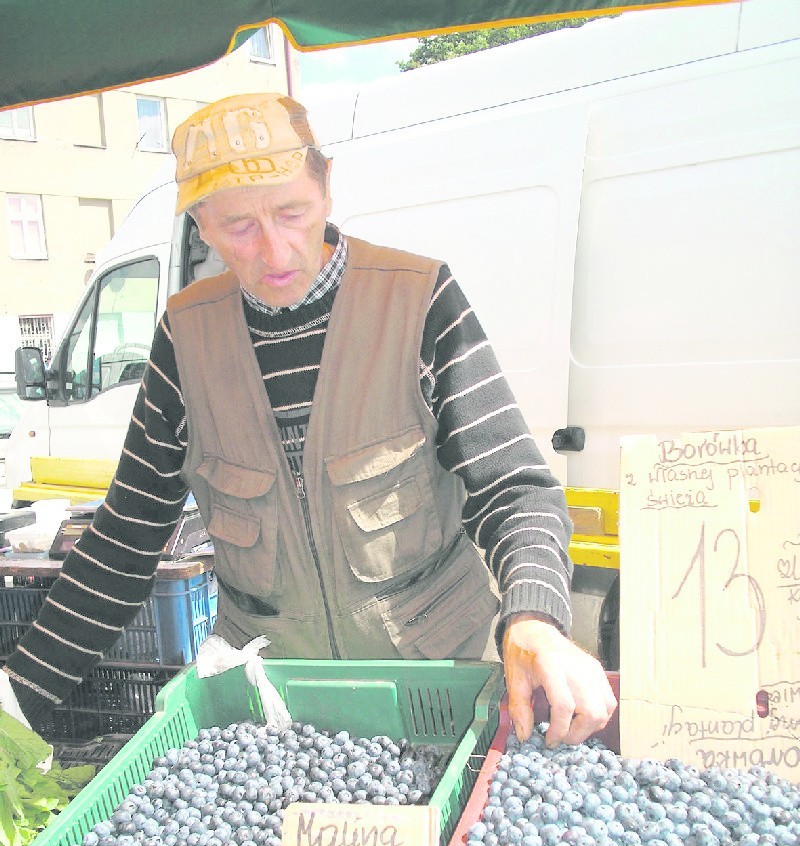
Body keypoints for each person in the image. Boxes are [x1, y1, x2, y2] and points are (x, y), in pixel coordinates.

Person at [0, 93, 615, 747]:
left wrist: (535, 616)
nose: (275, 249)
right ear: (201, 224)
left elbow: (514, 488)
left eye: (292, 212)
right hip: (277, 710)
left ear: (325, 188)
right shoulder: (185, 341)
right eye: (238, 226)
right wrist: (13, 699)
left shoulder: (421, 301)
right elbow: (122, 546)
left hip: (439, 690)